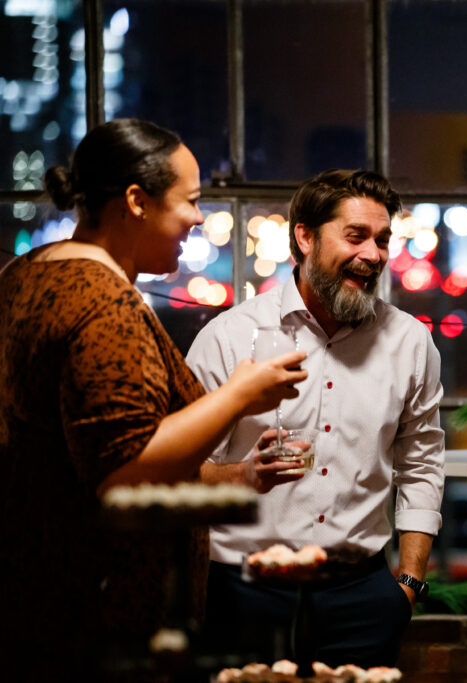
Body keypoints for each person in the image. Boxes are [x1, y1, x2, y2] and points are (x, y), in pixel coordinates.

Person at [0, 118, 307, 677]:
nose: (197, 216)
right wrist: (239, 394)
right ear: (137, 201)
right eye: (189, 200)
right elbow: (124, 472)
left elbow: (83, 455)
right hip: (101, 618)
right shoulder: (103, 304)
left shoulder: (24, 274)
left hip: (33, 599)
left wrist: (239, 477)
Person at [186, 169, 444, 667]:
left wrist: (407, 585)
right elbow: (180, 471)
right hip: (244, 593)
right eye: (355, 236)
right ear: (304, 236)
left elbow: (422, 464)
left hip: (363, 596)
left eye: (382, 239)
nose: (373, 254)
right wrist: (242, 476)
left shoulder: (410, 341)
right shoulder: (228, 338)